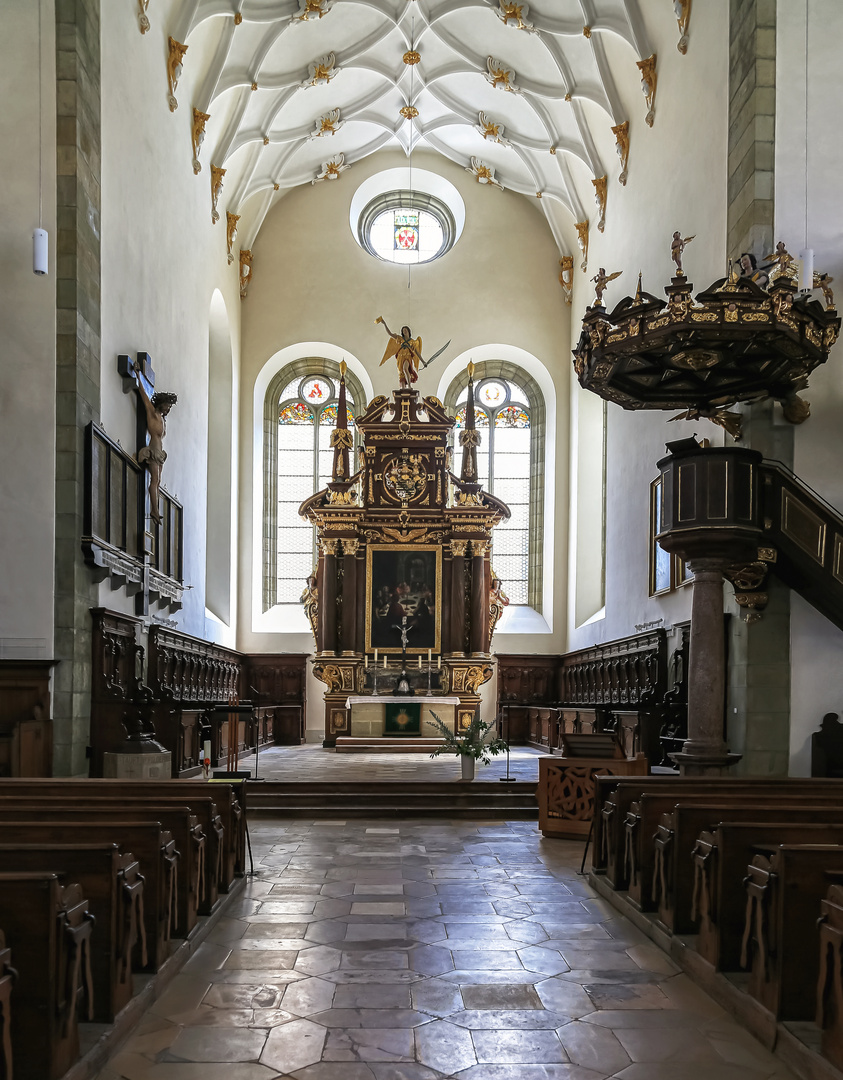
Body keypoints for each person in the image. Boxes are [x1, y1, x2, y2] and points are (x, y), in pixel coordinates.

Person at [132, 362, 177, 524]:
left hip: (160, 454)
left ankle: (155, 508)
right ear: (161, 404)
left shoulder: (162, 420)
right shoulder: (152, 412)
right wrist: (137, 374)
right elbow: (144, 394)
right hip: (152, 450)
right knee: (155, 481)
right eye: (167, 406)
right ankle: (154, 510)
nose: (168, 409)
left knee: (157, 483)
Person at [376, 316, 422, 387]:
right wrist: (384, 324)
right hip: (400, 357)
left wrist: (423, 361)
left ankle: (409, 386)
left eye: (406, 330)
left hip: (407, 356)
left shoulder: (412, 342)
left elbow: (417, 353)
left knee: (405, 368)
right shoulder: (400, 338)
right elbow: (390, 334)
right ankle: (403, 388)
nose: (404, 331)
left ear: (408, 331)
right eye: (403, 330)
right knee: (401, 373)